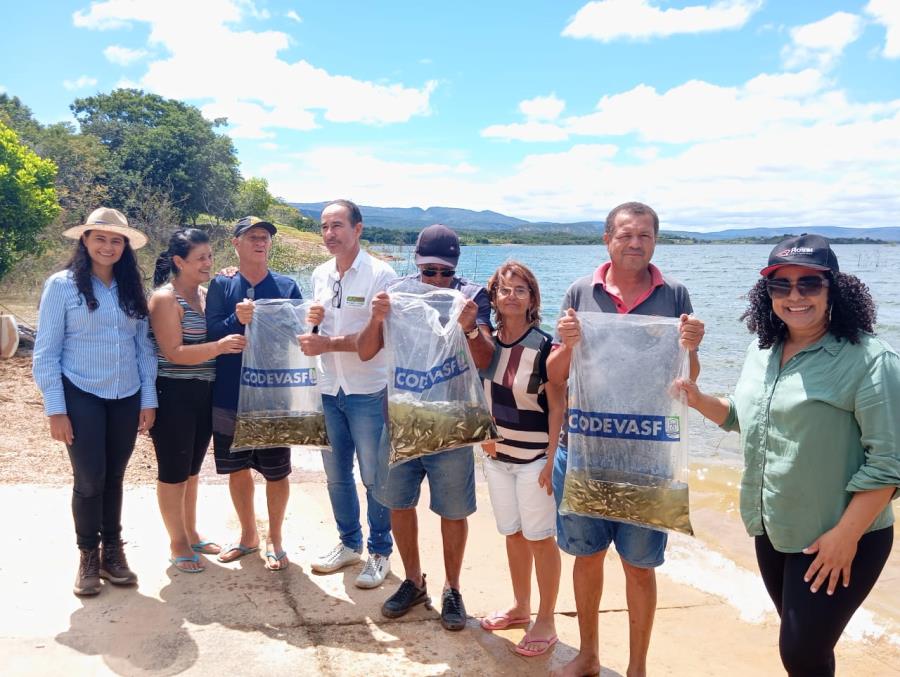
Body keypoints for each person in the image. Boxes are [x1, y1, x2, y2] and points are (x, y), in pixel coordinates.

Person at [676, 234, 899, 677]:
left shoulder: (871, 359)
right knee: (808, 650)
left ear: (833, 288)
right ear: (768, 294)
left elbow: (889, 462)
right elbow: (748, 417)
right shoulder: (761, 350)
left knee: (800, 653)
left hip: (838, 537)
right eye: (781, 286)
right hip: (773, 527)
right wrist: (697, 399)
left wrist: (844, 538)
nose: (794, 296)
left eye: (809, 284)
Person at [546, 202, 705, 677]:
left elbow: (687, 380)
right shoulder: (580, 291)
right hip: (585, 451)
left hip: (647, 453)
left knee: (640, 565)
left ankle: (638, 668)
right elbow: (556, 377)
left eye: (644, 236)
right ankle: (588, 655)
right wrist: (568, 342)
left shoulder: (675, 294)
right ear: (607, 239)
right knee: (587, 558)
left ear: (655, 241)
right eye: (625, 235)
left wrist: (692, 348)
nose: (634, 243)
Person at [358, 223, 493, 631]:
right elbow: (366, 352)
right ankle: (414, 582)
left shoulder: (472, 296)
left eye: (444, 273)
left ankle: (453, 588)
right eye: (429, 271)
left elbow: (485, 359)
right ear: (417, 264)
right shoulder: (396, 293)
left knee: (453, 511)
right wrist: (376, 317)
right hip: (400, 418)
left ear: (455, 268)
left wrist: (470, 326)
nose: (436, 280)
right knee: (398, 503)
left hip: (453, 424)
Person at [33, 207, 157, 596]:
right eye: (99, 238)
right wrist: (56, 408)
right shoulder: (62, 286)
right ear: (84, 241)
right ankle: (88, 556)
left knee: (115, 477)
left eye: (115, 240)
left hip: (126, 394)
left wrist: (147, 399)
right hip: (80, 392)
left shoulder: (131, 288)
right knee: (90, 479)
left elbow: (144, 349)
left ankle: (113, 553)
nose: (108, 246)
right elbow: (46, 352)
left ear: (125, 247)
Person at [298, 200, 397, 588]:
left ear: (358, 229)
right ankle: (349, 544)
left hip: (367, 391)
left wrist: (327, 344)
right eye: (324, 227)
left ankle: (380, 552)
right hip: (328, 389)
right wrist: (314, 329)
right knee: (337, 476)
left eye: (337, 225)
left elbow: (378, 338)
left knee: (374, 476)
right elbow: (315, 332)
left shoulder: (380, 275)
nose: (329, 234)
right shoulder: (320, 274)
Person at [478, 261, 565, 657]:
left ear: (533, 298)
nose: (511, 296)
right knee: (512, 533)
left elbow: (558, 403)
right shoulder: (486, 342)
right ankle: (520, 607)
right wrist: (483, 437)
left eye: (520, 290)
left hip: (533, 460)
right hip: (497, 457)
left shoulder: (545, 345)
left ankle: (546, 620)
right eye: (504, 289)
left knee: (540, 539)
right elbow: (479, 395)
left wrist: (551, 458)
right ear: (493, 296)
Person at [206, 216, 302, 571]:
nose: (260, 242)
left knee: (277, 472)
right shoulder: (221, 284)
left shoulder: (288, 285)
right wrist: (236, 319)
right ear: (236, 243)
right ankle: (248, 536)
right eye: (252, 237)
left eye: (265, 238)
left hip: (274, 394)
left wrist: (316, 321)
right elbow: (210, 332)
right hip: (229, 393)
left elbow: (298, 336)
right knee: (237, 469)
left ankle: (275, 538)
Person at [149, 228, 246, 573]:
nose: (209, 263)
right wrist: (219, 348)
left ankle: (191, 532)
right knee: (173, 471)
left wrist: (230, 279)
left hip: (205, 392)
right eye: (200, 258)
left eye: (210, 256)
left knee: (191, 471)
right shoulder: (165, 299)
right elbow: (173, 353)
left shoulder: (206, 295)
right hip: (173, 393)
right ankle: (177, 542)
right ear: (179, 262)